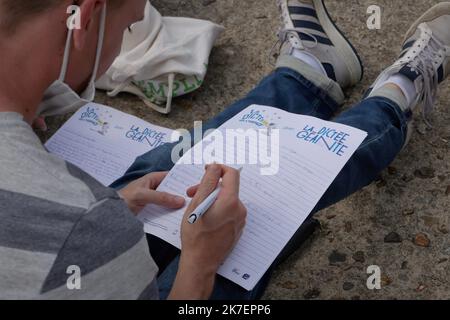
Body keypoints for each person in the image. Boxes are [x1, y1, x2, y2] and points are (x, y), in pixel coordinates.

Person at [0, 0, 448, 300]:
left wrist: (113, 206)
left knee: (169, 167)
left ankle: (308, 74)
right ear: (84, 20)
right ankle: (395, 97)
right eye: (130, 23)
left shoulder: (78, 212)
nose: (127, 35)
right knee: (254, 198)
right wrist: (199, 262)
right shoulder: (81, 218)